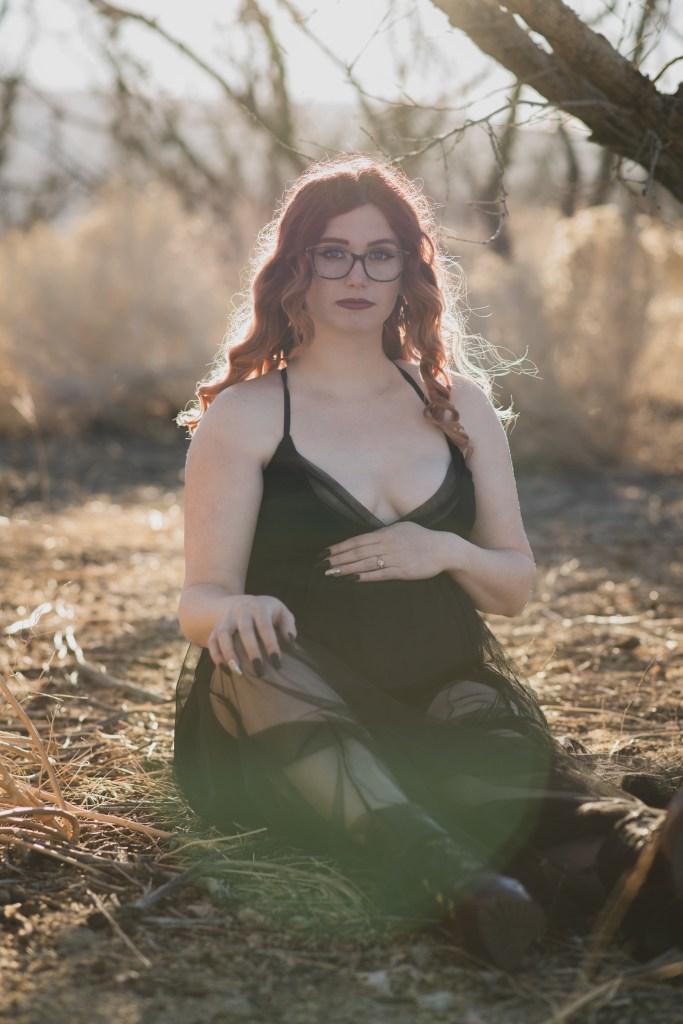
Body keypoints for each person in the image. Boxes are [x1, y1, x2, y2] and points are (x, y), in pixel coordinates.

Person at [174, 155, 683, 969]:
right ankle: (455, 886)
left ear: (409, 272)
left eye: (380, 254)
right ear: (294, 269)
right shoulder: (245, 416)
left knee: (514, 791)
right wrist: (232, 610)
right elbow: (199, 599)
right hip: (291, 696)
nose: (356, 274)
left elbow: (513, 588)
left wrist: (441, 548)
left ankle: (646, 867)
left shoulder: (459, 407)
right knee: (258, 666)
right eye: (331, 252)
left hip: (439, 674)